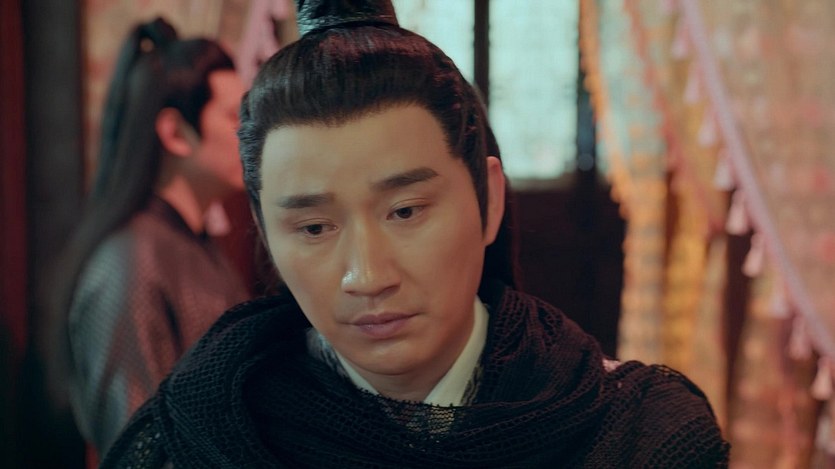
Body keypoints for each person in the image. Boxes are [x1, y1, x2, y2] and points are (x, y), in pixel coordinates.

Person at [102, 1, 730, 467]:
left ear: (488, 201)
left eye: (405, 212)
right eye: (314, 227)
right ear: (267, 235)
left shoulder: (636, 434)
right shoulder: (202, 435)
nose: (367, 276)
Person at [45, 17, 250, 458]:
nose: (249, 134)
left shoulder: (195, 243)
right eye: (235, 117)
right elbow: (136, 446)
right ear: (175, 132)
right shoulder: (130, 260)